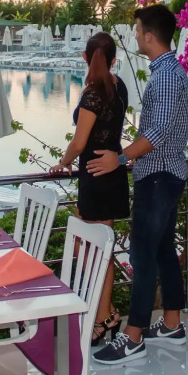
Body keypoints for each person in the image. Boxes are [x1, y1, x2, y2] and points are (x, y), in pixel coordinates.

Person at [86, 4, 188, 365]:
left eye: (136, 31)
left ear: (149, 35)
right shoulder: (168, 71)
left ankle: (133, 338)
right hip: (164, 174)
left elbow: (158, 131)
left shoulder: (166, 76)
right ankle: (173, 324)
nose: (133, 36)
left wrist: (119, 157)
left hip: (159, 176)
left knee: (142, 255)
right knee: (162, 251)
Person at [49, 32, 130, 345]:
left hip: (95, 176)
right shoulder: (118, 87)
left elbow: (79, 142)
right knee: (99, 248)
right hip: (111, 173)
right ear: (113, 60)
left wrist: (62, 162)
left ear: (84, 57)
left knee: (91, 249)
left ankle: (103, 316)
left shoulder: (93, 94)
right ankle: (105, 314)